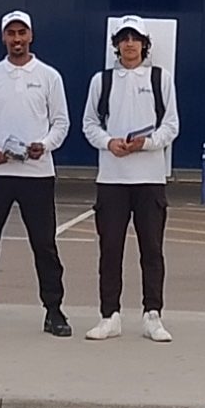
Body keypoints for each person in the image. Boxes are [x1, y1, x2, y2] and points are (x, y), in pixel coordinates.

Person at [0, 9, 74, 337]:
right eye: (11, 33)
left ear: (30, 35)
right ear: (3, 37)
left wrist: (44, 145)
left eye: (22, 33)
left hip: (37, 174)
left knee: (44, 244)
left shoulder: (49, 76)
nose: (16, 39)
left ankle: (54, 311)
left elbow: (61, 122)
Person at [81, 18, 178, 342]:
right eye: (124, 38)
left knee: (152, 249)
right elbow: (89, 123)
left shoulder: (160, 78)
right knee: (110, 249)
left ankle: (153, 315)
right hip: (112, 179)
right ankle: (109, 315)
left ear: (145, 44)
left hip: (150, 179)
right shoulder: (102, 80)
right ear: (117, 45)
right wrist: (109, 142)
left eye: (135, 38)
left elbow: (171, 125)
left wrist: (146, 144)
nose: (130, 44)